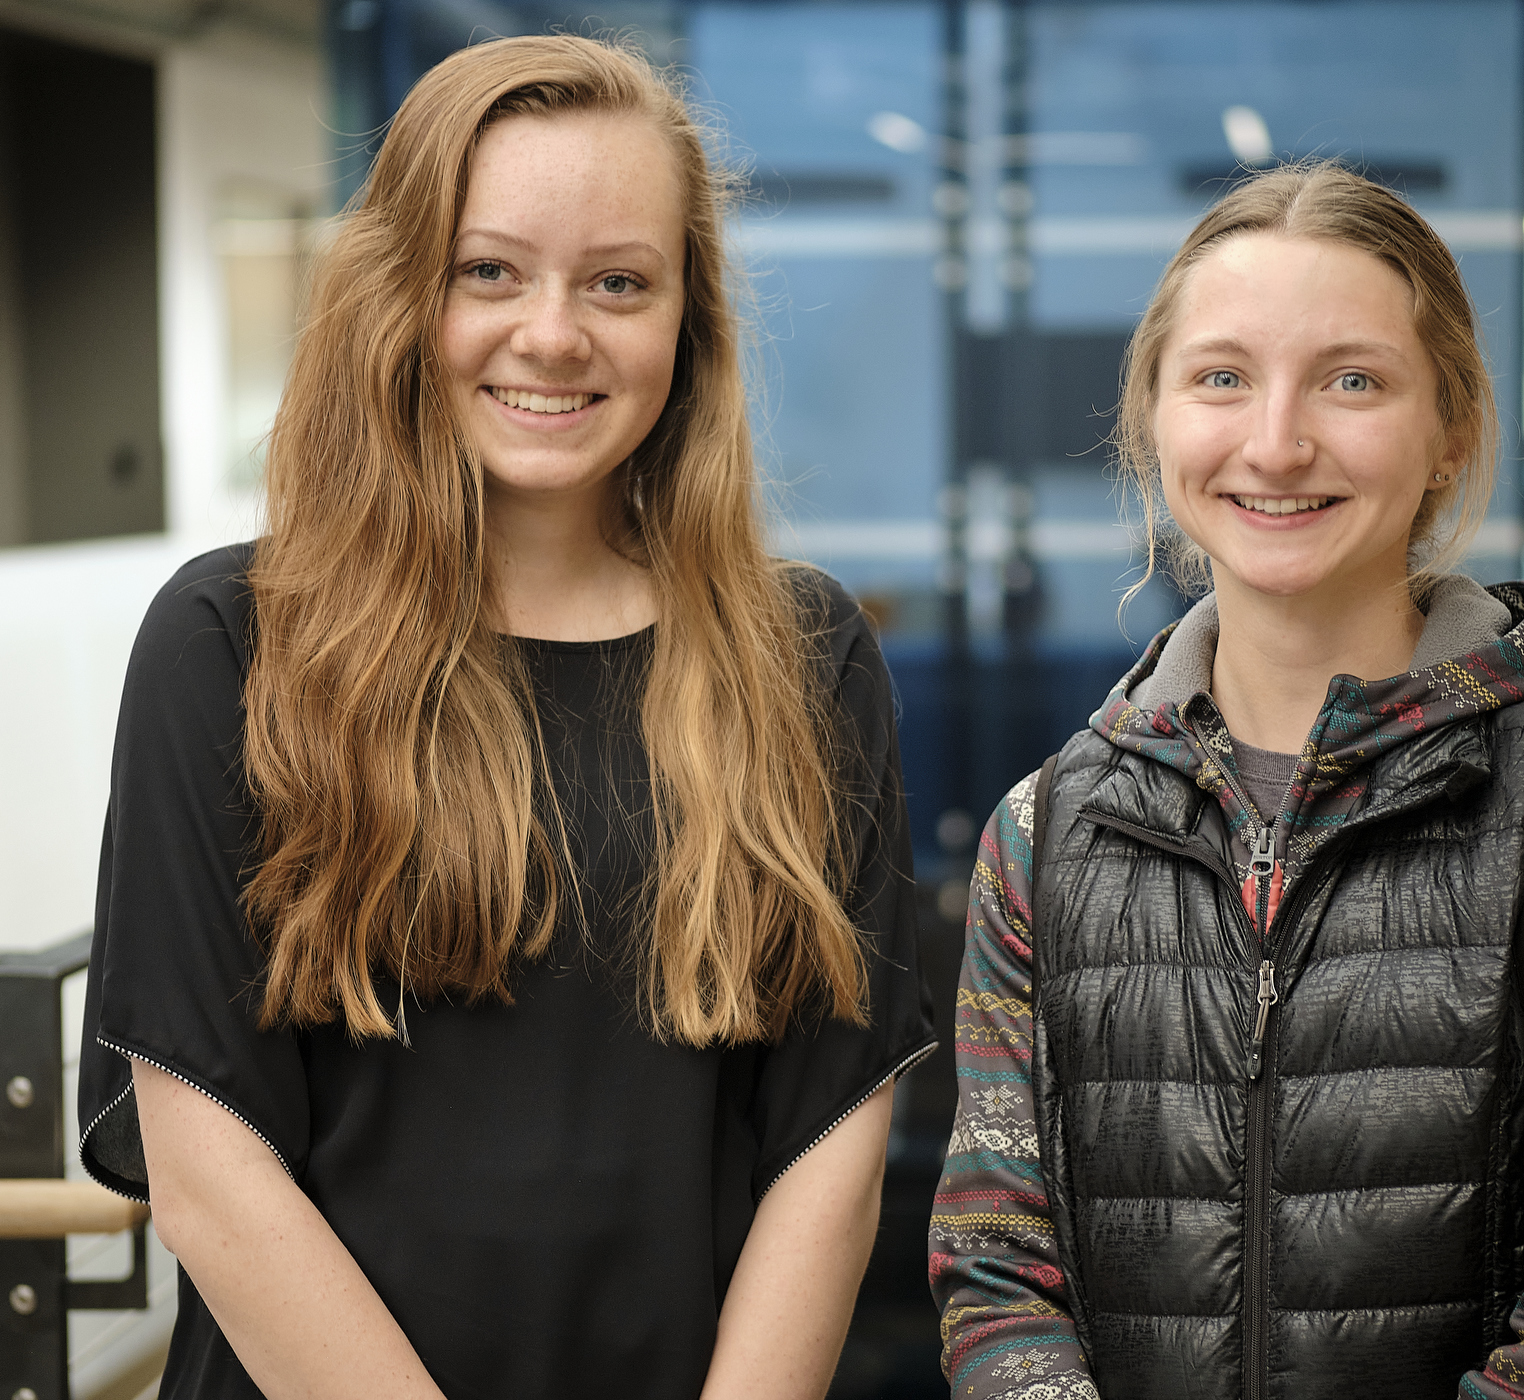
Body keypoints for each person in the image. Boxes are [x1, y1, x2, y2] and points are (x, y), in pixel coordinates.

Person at [74, 34, 934, 1400]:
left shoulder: (804, 655)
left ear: (687, 323)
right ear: (401, 293)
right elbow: (210, 1171)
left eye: (618, 282)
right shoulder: (230, 644)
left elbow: (828, 1142)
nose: (553, 332)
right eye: (490, 270)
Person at [929, 164, 1524, 1400]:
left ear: (1451, 429)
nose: (1276, 441)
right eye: (1222, 377)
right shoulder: (1044, 835)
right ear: (1154, 417)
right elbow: (995, 1274)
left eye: (1351, 379)